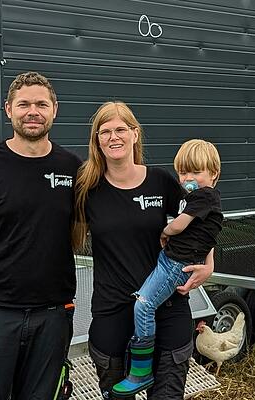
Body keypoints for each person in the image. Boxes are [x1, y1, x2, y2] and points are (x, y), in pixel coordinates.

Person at [0, 72, 81, 399]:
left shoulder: (73, 168)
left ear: (54, 110)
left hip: (53, 315)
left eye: (41, 104)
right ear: (8, 110)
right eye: (24, 104)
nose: (32, 111)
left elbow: (115, 220)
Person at [73, 102, 215, 399]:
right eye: (106, 131)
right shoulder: (87, 188)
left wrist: (209, 264)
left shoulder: (161, 181)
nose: (114, 137)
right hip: (112, 312)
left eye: (121, 129)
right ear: (97, 139)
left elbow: (202, 217)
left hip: (168, 309)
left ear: (135, 134)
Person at [111, 139, 223, 397]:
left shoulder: (203, 196)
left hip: (175, 263)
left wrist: (165, 231)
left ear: (213, 173)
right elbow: (206, 232)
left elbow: (181, 225)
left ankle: (141, 369)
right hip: (170, 258)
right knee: (143, 300)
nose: (187, 178)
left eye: (195, 172)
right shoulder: (195, 196)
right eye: (183, 172)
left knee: (144, 304)